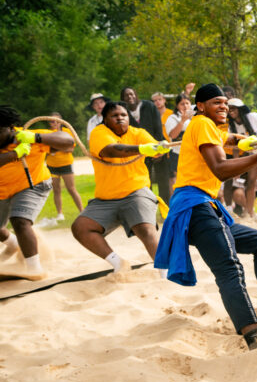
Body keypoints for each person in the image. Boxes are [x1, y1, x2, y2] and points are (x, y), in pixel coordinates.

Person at [154, 83, 257, 351]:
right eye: (217, 102)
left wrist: (243, 141)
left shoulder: (211, 128)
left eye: (226, 103)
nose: (223, 107)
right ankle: (252, 335)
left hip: (204, 207)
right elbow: (220, 169)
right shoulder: (201, 122)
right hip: (196, 206)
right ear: (200, 106)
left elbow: (225, 141)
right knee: (229, 268)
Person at [71, 101, 170, 272]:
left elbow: (155, 150)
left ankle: (166, 271)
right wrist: (143, 148)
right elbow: (111, 150)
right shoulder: (99, 132)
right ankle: (118, 263)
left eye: (123, 115)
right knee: (80, 227)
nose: (120, 118)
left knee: (145, 229)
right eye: (114, 116)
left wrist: (159, 149)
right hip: (106, 198)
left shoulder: (138, 132)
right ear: (105, 119)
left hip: (137, 191)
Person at [0, 105, 75, 280]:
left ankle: (34, 269)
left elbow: (68, 142)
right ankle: (13, 244)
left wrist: (37, 137)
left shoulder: (28, 135)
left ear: (10, 128)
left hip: (33, 185)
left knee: (20, 220)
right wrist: (15, 154)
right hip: (2, 190)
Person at [121, 87, 171, 204]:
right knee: (144, 183)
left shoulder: (149, 106)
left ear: (136, 95)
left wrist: (158, 149)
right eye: (126, 95)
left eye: (132, 94)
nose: (130, 97)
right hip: (140, 152)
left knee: (163, 182)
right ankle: (148, 209)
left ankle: (167, 211)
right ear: (123, 99)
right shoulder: (123, 112)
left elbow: (158, 127)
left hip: (157, 147)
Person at [226, 98, 257, 218]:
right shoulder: (231, 125)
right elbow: (235, 147)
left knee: (251, 181)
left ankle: (250, 212)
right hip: (244, 156)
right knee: (246, 184)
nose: (231, 111)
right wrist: (236, 166)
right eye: (229, 109)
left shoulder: (253, 117)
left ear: (240, 109)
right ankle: (248, 211)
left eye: (233, 108)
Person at [46, 112, 83, 221]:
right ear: (49, 123)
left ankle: (82, 211)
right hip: (52, 165)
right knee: (56, 190)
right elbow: (46, 151)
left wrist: (55, 148)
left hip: (66, 164)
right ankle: (60, 214)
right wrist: (61, 147)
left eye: (58, 121)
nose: (55, 123)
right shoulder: (47, 133)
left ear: (62, 122)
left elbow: (70, 149)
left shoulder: (67, 132)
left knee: (71, 188)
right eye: (52, 121)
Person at [165, 94, 194, 189]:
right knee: (180, 182)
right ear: (177, 106)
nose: (185, 106)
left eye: (187, 103)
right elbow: (173, 135)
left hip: (193, 154)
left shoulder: (195, 117)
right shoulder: (172, 118)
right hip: (177, 154)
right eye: (182, 104)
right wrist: (182, 121)